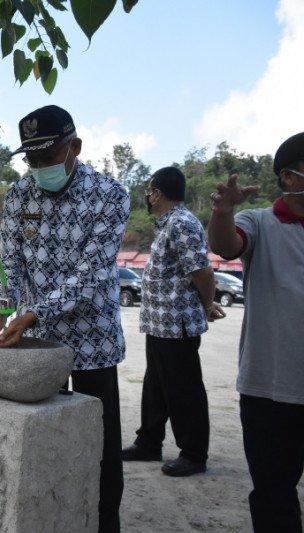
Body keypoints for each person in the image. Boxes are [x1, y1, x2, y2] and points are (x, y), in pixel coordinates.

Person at [0, 105, 129, 533]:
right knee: (44, 440)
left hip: (92, 343)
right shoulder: (18, 196)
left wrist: (29, 314)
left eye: (48, 157)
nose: (39, 168)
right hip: (35, 345)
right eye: (32, 160)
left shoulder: (110, 196)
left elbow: (91, 275)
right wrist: (1, 308)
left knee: (99, 448)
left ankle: (104, 523)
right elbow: (10, 269)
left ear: (74, 148)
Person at [208, 132, 304, 532]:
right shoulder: (260, 223)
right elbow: (226, 245)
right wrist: (224, 211)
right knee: (273, 493)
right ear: (290, 177)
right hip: (271, 388)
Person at [121, 167, 224, 477]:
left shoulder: (181, 223)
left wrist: (206, 306)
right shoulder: (168, 224)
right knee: (156, 386)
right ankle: (149, 443)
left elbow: (203, 272)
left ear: (157, 193)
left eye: (149, 192)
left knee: (183, 389)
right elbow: (184, 273)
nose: (148, 198)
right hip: (160, 323)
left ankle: (194, 453)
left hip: (176, 325)